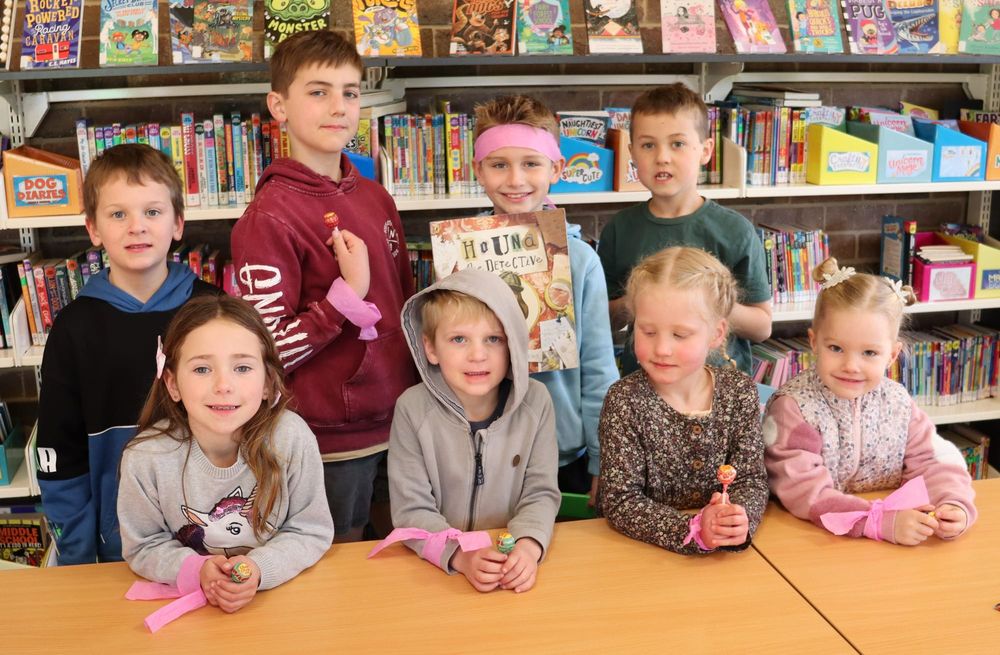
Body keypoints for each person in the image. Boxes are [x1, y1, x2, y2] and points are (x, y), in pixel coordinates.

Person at [231, 30, 416, 542]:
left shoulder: (376, 197)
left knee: (409, 554)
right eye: (318, 92)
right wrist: (345, 298)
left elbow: (403, 302)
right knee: (339, 564)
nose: (339, 107)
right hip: (329, 441)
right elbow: (266, 350)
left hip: (403, 419)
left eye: (350, 92)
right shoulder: (268, 218)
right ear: (279, 107)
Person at [36, 144, 220, 565]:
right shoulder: (73, 328)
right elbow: (59, 453)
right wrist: (78, 557)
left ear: (178, 223)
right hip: (119, 550)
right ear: (93, 229)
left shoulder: (214, 312)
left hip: (213, 541)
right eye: (118, 214)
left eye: (152, 212)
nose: (137, 227)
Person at [118, 295, 333, 613]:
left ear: (267, 382)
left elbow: (310, 530)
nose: (223, 385)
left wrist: (258, 569)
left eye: (242, 367)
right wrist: (196, 571)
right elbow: (144, 545)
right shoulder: (145, 457)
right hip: (191, 613)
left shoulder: (292, 438)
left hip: (280, 603)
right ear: (173, 384)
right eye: (202, 369)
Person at [763, 258, 977, 545]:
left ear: (892, 354)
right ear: (814, 342)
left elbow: (932, 461)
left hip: (884, 539)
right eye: (836, 348)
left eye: (869, 353)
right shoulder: (793, 407)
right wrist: (877, 521)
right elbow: (804, 491)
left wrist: (952, 502)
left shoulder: (898, 402)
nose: (851, 366)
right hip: (813, 538)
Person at [472, 95, 618, 505]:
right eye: (499, 165)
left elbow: (598, 368)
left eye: (531, 164)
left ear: (556, 168)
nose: (515, 179)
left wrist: (602, 459)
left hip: (562, 450)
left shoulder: (581, 261)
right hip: (480, 449)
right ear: (478, 170)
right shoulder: (459, 258)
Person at [389, 269, 560, 593]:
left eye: (493, 339)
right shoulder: (411, 409)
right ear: (431, 348)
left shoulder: (537, 403)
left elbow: (540, 493)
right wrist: (459, 555)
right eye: (459, 339)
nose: (478, 355)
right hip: (437, 574)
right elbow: (411, 510)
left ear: (513, 344)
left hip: (509, 564)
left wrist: (528, 546)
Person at [600, 247, 769, 554]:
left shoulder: (739, 392)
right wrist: (693, 530)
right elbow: (620, 501)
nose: (662, 349)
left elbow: (751, 480)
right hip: (644, 557)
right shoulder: (624, 401)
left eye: (679, 335)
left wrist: (735, 521)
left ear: (716, 334)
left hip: (724, 561)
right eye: (648, 331)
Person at [598, 83, 771, 376]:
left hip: (717, 387)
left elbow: (762, 327)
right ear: (632, 154)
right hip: (643, 385)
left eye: (677, 144)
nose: (662, 157)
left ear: (705, 150)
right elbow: (603, 320)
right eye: (648, 145)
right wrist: (640, 298)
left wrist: (706, 301)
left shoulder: (735, 231)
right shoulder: (619, 229)